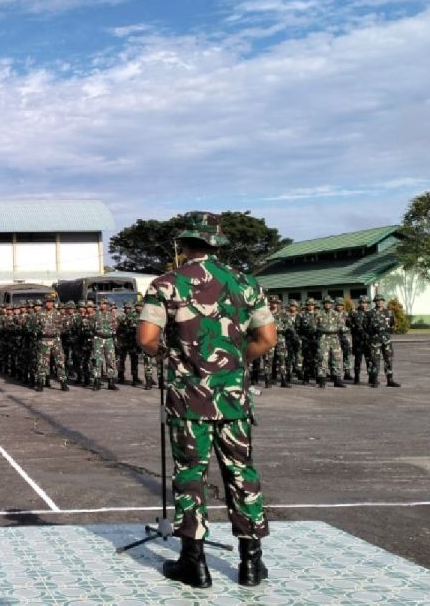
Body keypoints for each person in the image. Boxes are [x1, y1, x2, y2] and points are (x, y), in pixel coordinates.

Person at [137, 212, 276, 589]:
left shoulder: (166, 284)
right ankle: (251, 562)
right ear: (217, 245)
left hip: (188, 401)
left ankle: (194, 564)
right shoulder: (246, 284)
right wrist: (234, 362)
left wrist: (172, 360)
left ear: (184, 246)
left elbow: (147, 338)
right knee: (241, 473)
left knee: (190, 476)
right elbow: (266, 339)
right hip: (232, 398)